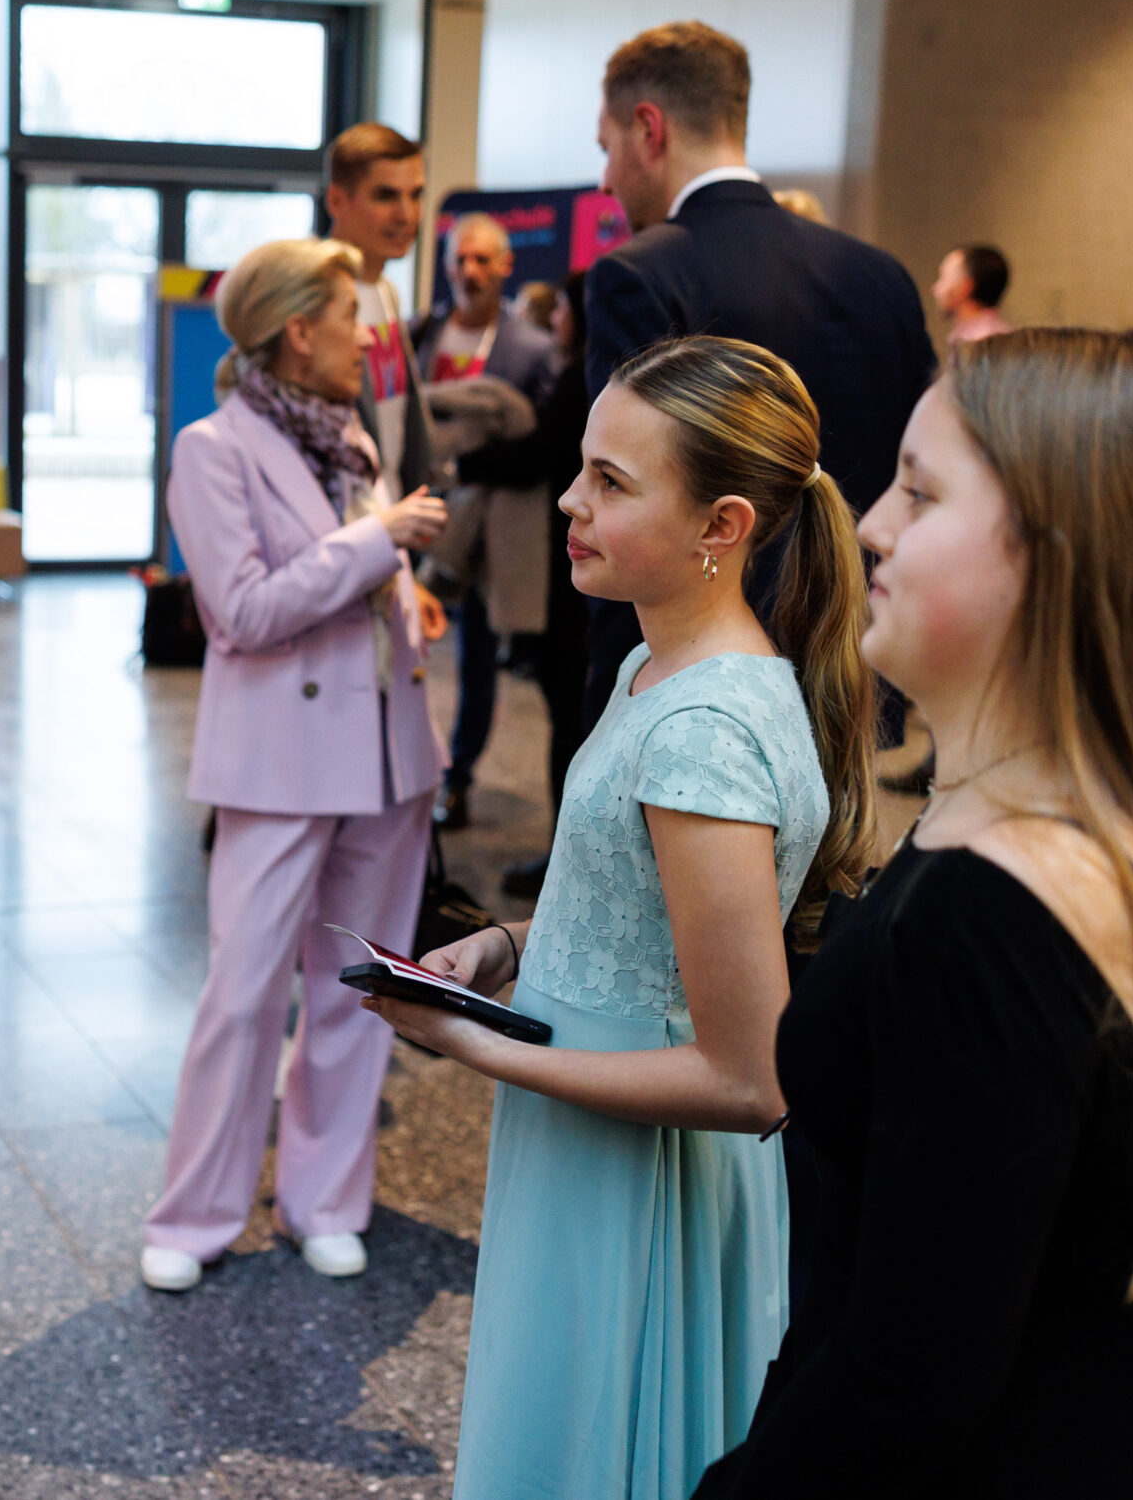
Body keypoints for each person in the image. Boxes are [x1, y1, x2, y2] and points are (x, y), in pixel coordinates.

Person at [694, 330, 1133, 1497]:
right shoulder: (1066, 828)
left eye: (920, 491)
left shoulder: (992, 910)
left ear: (1054, 554)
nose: (872, 524)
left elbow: (910, 1377)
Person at [370, 336, 878, 1499]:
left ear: (721, 525)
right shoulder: (654, 667)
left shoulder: (702, 732)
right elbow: (638, 908)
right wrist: (506, 947)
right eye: (581, 467)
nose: (569, 499)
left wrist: (475, 1044)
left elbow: (748, 1078)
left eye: (610, 479)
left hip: (639, 1173)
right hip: (592, 1132)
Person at [143, 238, 449, 1293]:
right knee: (241, 994)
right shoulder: (211, 448)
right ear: (297, 331)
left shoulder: (351, 436)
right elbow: (243, 610)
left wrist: (404, 590)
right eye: (351, 316)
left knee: (358, 991)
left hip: (388, 751)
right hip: (278, 761)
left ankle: (328, 1200)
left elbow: (349, 579)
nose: (368, 336)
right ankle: (194, 1214)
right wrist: (380, 542)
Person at [582, 21, 937, 728]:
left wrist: (615, 706)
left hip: (701, 685)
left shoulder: (641, 275)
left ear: (648, 129)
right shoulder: (883, 276)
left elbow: (626, 510)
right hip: (860, 668)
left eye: (607, 147)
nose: (606, 180)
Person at [415, 212, 558, 830]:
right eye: (460, 259)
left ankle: (458, 777)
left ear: (505, 266)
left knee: (475, 656)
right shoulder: (421, 333)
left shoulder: (532, 348)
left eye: (482, 260)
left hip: (485, 525)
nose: (469, 271)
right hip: (417, 507)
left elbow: (536, 440)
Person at [455, 272, 592, 899]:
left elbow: (540, 452)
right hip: (565, 570)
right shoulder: (581, 374)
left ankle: (567, 857)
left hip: (570, 575)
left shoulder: (582, 380)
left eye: (562, 305)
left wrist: (465, 462)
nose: (554, 315)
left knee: (569, 716)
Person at [324, 122, 435, 495]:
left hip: (391, 508)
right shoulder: (315, 298)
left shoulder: (386, 292)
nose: (406, 215)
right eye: (386, 196)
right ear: (337, 201)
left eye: (415, 195)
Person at [933, 241, 1014, 345]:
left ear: (964, 288)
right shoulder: (965, 337)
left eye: (943, 278)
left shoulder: (986, 344)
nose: (935, 288)